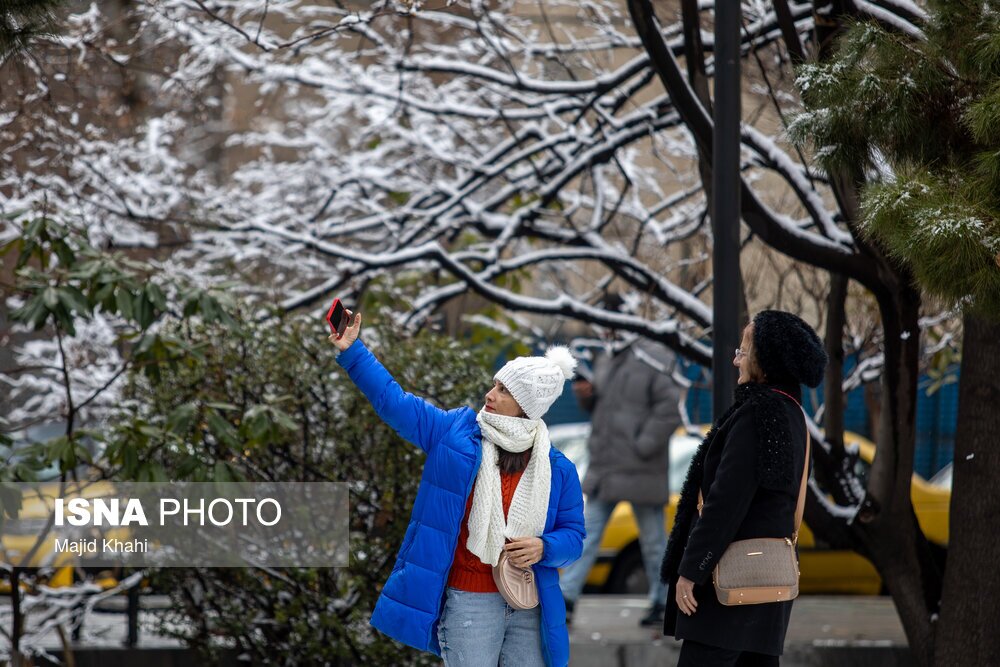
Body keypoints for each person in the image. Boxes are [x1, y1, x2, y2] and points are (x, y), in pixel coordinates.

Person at [329, 311, 585, 667]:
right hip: (470, 601)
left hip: (530, 603)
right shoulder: (454, 435)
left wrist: (545, 547)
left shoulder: (557, 469)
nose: (490, 394)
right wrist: (353, 351)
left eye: (504, 390)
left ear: (527, 406)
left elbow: (574, 539)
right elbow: (395, 403)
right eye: (495, 384)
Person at [659, 310, 827, 666]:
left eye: (745, 351)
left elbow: (725, 502)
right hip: (768, 586)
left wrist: (691, 571)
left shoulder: (758, 415)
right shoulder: (793, 413)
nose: (736, 359)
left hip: (730, 587)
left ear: (767, 361)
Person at [559, 297, 683, 628]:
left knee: (654, 542)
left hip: (639, 468)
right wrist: (587, 396)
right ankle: (566, 599)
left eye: (609, 324)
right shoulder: (606, 359)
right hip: (607, 468)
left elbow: (669, 410)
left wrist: (641, 445)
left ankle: (662, 601)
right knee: (586, 536)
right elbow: (604, 409)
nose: (605, 331)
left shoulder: (654, 358)